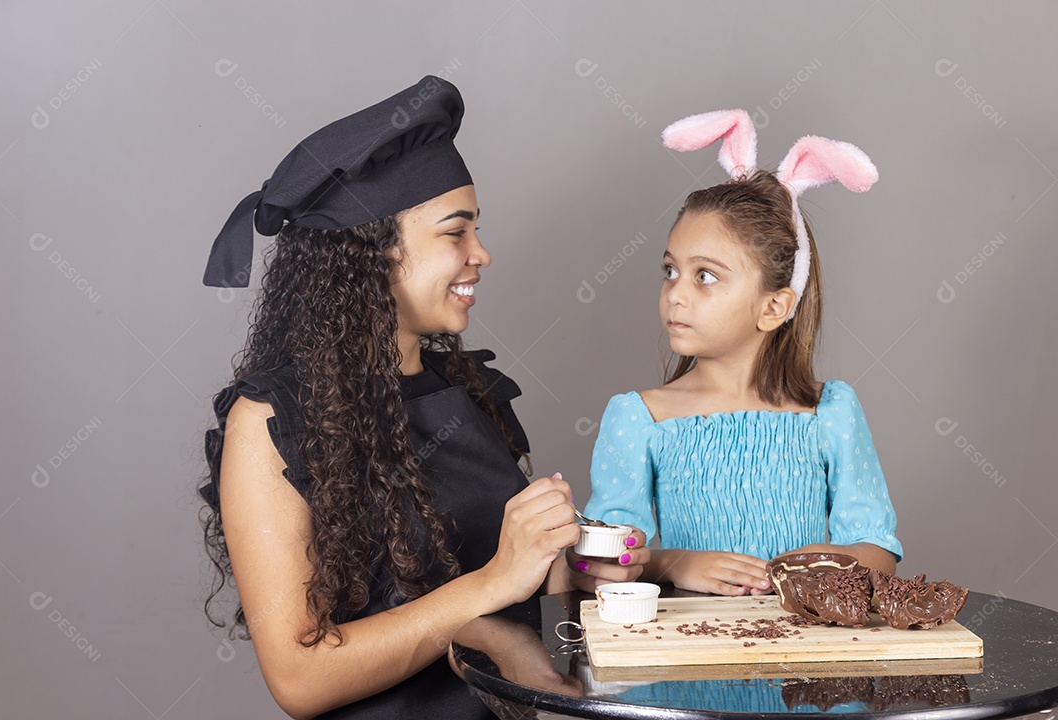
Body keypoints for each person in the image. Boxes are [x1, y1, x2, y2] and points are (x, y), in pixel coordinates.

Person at [198, 76, 649, 720]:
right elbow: (300, 678)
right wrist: (495, 578)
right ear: (371, 253)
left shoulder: (472, 391)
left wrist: (569, 573)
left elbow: (495, 585)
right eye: (454, 233)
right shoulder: (270, 423)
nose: (482, 254)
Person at [582, 109, 902, 599]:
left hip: (808, 666)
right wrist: (676, 562)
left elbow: (878, 552)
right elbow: (600, 563)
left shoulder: (830, 413)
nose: (676, 294)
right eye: (670, 271)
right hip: (689, 666)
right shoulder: (639, 418)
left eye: (705, 276)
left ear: (774, 306)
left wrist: (825, 562)